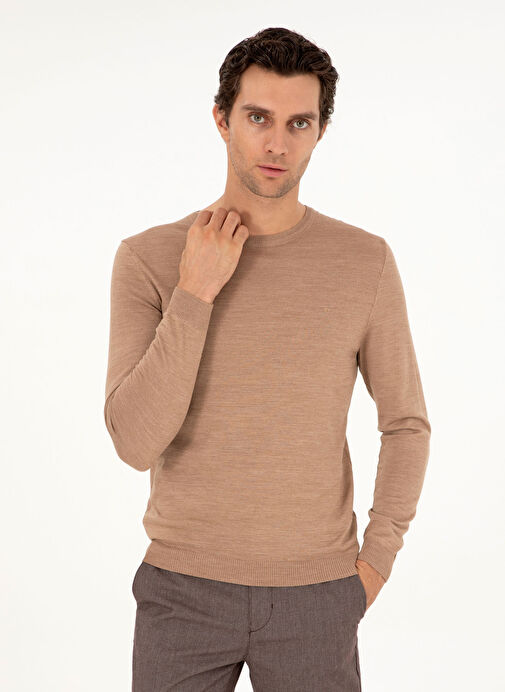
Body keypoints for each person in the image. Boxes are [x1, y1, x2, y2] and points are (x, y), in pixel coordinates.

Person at [104, 26, 431, 691]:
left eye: (298, 123)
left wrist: (374, 563)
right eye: (258, 118)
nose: (277, 144)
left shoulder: (363, 262)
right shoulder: (148, 258)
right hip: (181, 592)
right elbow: (134, 443)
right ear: (222, 119)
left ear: (320, 131)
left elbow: (405, 423)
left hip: (318, 593)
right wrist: (195, 291)